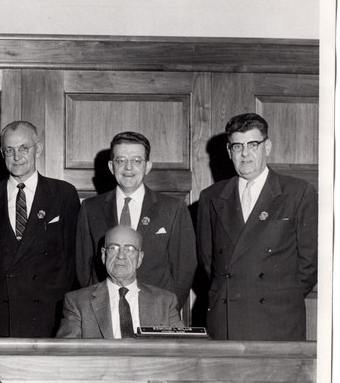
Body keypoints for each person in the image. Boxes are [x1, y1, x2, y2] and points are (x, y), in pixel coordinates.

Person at [196, 112, 318, 340]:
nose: (245, 154)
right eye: (237, 147)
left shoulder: (297, 192)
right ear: (228, 151)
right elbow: (207, 262)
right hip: (226, 319)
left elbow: (309, 265)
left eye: (253, 145)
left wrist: (280, 298)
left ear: (267, 146)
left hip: (278, 320)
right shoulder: (211, 197)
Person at [0, 120, 80, 337]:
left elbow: (72, 260)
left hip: (48, 313)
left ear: (38, 149)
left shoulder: (63, 194)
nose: (17, 156)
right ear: (2, 154)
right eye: (9, 150)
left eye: (24, 148)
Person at [75, 131, 196, 310]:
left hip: (156, 312)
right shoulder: (90, 208)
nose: (128, 168)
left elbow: (184, 270)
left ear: (147, 166)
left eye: (136, 161)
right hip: (103, 312)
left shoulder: (173, 208)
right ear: (111, 166)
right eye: (121, 160)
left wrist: (166, 310)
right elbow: (83, 267)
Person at [57, 226, 183, 338]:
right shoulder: (77, 302)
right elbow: (66, 354)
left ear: (139, 258)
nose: (121, 255)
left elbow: (182, 350)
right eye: (114, 248)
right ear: (103, 255)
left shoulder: (165, 302)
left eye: (129, 249)